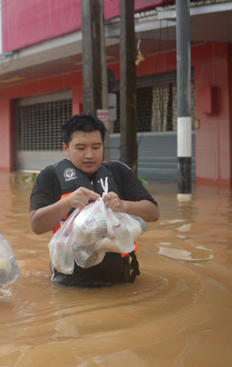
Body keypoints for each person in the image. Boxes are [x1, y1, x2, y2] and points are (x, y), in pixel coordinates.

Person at [29, 113, 160, 286]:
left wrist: (123, 205)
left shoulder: (118, 172)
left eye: (96, 147)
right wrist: (67, 202)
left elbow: (153, 213)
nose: (90, 155)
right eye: (81, 148)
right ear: (66, 148)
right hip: (69, 282)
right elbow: (37, 225)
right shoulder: (50, 176)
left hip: (120, 280)